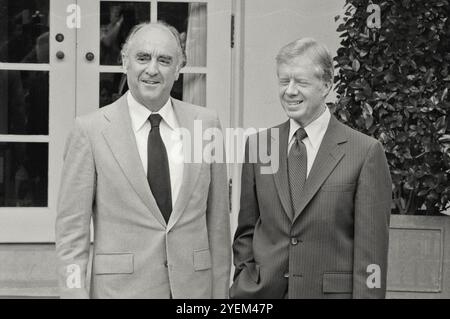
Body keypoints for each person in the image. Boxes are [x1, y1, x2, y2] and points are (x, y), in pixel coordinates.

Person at [55, 22, 231, 299]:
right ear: (125, 62)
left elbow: (218, 227)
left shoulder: (207, 124)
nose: (152, 69)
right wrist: (73, 294)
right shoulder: (89, 131)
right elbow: (70, 236)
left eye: (164, 60)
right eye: (142, 58)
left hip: (193, 293)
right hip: (119, 292)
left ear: (178, 69)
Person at [230, 38, 392, 299]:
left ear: (326, 85)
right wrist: (244, 280)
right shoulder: (259, 145)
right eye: (284, 81)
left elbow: (372, 253)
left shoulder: (365, 152)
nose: (290, 91)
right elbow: (246, 230)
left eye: (301, 82)